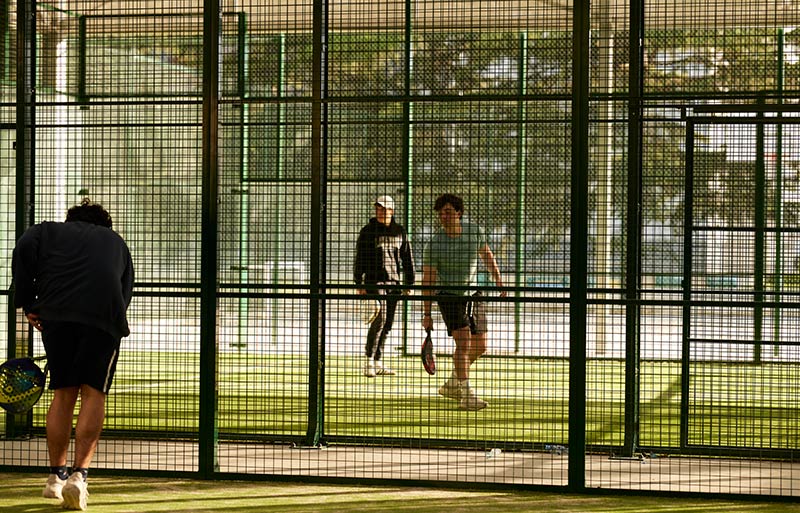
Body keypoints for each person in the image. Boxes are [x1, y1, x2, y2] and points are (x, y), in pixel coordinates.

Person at [12, 198, 134, 511]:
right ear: (103, 225)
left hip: (56, 313)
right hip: (102, 319)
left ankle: (55, 477)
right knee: (94, 394)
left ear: (71, 220)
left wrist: (28, 302)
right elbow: (124, 292)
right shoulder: (116, 241)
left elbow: (23, 247)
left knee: (63, 393)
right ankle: (79, 476)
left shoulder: (46, 232)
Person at [421, 193, 505, 411]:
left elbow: (487, 255)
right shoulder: (434, 244)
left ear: (459, 213)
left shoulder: (474, 231)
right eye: (440, 213)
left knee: (481, 345)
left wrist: (498, 279)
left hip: (472, 293)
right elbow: (428, 280)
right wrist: (427, 313)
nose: (444, 216)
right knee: (464, 342)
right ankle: (467, 395)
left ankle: (453, 382)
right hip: (448, 295)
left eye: (448, 211)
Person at [354, 195, 416, 377]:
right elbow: (360, 258)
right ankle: (368, 361)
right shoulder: (367, 231)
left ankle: (378, 361)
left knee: (388, 324)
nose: (380, 211)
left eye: (384, 208)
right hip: (374, 282)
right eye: (378, 208)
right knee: (379, 321)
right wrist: (359, 282)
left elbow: (407, 258)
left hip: (394, 283)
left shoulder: (399, 232)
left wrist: (409, 283)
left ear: (392, 211)